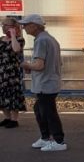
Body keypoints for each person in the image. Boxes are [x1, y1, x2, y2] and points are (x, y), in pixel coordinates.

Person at [19, 14, 65, 151]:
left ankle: (58, 141)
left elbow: (39, 65)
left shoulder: (41, 41)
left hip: (45, 83)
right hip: (50, 81)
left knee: (48, 112)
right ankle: (46, 138)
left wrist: (26, 65)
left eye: (26, 25)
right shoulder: (50, 39)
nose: (24, 27)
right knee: (40, 109)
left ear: (34, 26)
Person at [0, 16, 25, 128]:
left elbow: (16, 50)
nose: (4, 27)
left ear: (14, 27)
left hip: (12, 73)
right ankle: (7, 117)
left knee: (13, 94)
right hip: (1, 72)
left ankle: (14, 120)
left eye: (6, 25)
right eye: (3, 25)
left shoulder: (19, 39)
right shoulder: (1, 39)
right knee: (2, 95)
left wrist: (13, 35)